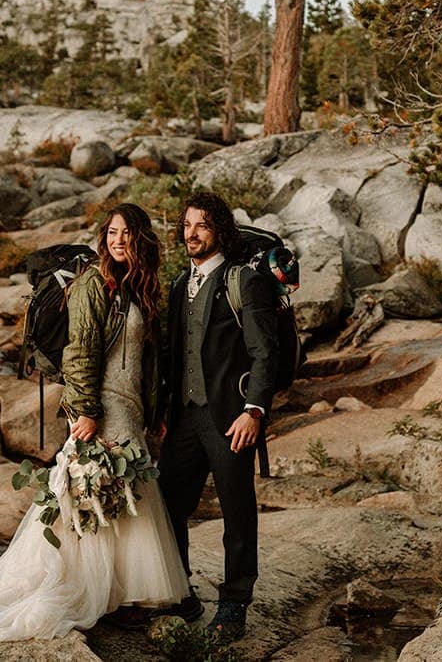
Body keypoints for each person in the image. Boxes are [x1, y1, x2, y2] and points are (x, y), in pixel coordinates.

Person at [0, 203, 189, 644]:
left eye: (127, 233)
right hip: (102, 408)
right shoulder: (94, 282)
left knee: (124, 493)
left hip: (130, 409)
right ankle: (90, 589)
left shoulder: (138, 287)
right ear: (103, 238)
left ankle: (120, 592)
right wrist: (85, 410)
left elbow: (147, 362)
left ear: (141, 238)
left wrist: (155, 414)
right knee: (95, 495)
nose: (119, 241)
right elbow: (80, 349)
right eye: (112, 233)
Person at [160, 190, 278, 643]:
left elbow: (264, 351)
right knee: (168, 504)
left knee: (236, 509)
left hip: (231, 417)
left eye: (202, 226)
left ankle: (234, 603)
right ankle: (180, 590)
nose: (191, 233)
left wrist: (254, 411)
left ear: (220, 231)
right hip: (185, 417)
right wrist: (165, 411)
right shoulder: (178, 285)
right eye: (187, 225)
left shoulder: (243, 280)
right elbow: (175, 354)